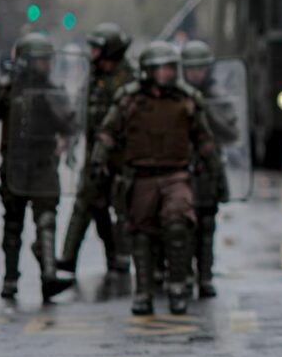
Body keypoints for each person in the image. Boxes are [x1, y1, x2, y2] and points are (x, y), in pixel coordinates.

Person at [90, 41, 225, 316]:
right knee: (141, 234)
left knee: (178, 225)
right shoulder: (129, 99)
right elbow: (107, 132)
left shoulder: (186, 99)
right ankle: (143, 291)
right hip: (142, 177)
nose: (168, 73)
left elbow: (204, 139)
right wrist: (97, 161)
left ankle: (177, 286)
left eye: (171, 68)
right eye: (161, 68)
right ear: (148, 70)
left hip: (175, 175)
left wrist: (217, 173)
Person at [0, 33, 78, 302]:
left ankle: (49, 276)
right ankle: (10, 279)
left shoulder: (52, 90)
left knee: (47, 220)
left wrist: (60, 112)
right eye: (41, 60)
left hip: (44, 165)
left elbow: (70, 124)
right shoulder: (5, 90)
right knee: (13, 224)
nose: (47, 65)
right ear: (26, 61)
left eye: (48, 60)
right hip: (15, 167)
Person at [58, 23, 136, 276]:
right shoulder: (93, 76)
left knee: (121, 208)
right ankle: (68, 258)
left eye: (96, 48)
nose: (92, 53)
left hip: (121, 156)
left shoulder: (128, 78)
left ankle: (120, 256)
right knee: (87, 202)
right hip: (94, 154)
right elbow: (81, 108)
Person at [181, 39, 239, 298]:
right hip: (180, 168)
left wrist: (205, 111)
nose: (195, 74)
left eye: (200, 68)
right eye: (191, 68)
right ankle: (182, 275)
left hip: (208, 169)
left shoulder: (217, 97)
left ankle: (205, 276)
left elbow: (231, 133)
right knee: (181, 227)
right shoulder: (176, 95)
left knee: (206, 227)